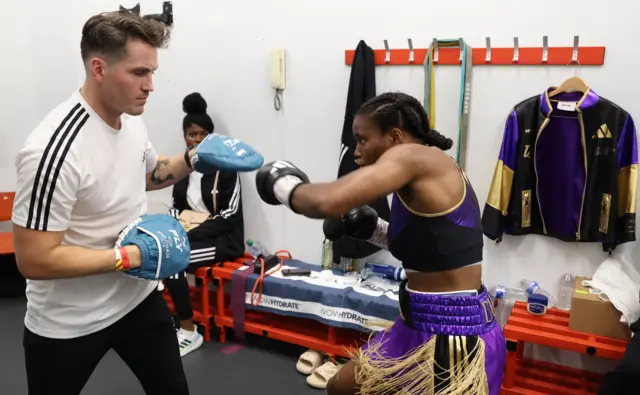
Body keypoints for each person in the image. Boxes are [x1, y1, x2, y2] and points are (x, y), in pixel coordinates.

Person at [256, 92, 506, 395]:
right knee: (340, 385)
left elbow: (326, 202)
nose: (356, 152)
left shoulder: (412, 155)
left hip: (453, 338)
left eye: (362, 140)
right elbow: (430, 250)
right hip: (416, 322)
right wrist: (372, 229)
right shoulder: (421, 173)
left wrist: (282, 183)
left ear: (395, 136)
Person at [11, 11, 198, 395]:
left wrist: (194, 158)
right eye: (139, 73)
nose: (150, 86)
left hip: (138, 300)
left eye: (153, 73)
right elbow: (34, 259)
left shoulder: (131, 120)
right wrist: (128, 257)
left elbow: (145, 174)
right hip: (69, 321)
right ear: (98, 68)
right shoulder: (54, 150)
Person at [164, 92, 245, 357]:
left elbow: (228, 215)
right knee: (154, 253)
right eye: (192, 134)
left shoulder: (227, 168)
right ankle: (165, 325)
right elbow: (176, 207)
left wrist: (189, 235)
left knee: (174, 260)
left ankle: (189, 332)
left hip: (223, 242)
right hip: (192, 235)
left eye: (203, 134)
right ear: (184, 136)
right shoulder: (181, 168)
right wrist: (178, 228)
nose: (197, 140)